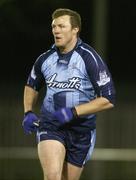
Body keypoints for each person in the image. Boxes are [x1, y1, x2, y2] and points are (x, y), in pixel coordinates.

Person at [22, 8, 116, 180]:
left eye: (62, 26)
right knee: (52, 176)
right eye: (53, 27)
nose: (56, 31)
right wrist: (28, 111)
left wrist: (73, 112)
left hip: (81, 131)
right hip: (51, 125)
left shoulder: (89, 58)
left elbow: (108, 99)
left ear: (75, 29)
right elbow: (31, 85)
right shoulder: (45, 59)